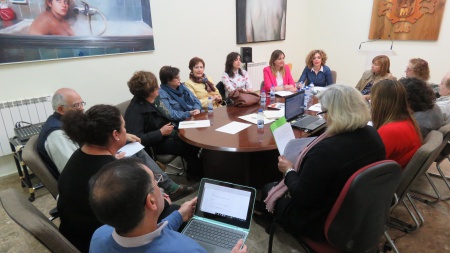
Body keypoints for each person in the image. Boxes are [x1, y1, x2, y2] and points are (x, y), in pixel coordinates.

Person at [254, 84, 386, 242]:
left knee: (269, 187)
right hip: (360, 210)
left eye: (323, 112)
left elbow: (303, 198)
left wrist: (289, 170)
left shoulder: (325, 152)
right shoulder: (373, 135)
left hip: (322, 220)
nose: (323, 117)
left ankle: (271, 218)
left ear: (335, 114)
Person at [57, 105, 181, 253]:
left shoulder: (78, 156)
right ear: (116, 134)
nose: (126, 132)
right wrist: (164, 202)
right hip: (103, 241)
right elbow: (141, 212)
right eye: (124, 127)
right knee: (174, 209)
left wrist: (113, 159)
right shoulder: (116, 176)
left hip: (75, 235)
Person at [36, 88, 191, 201]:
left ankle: (165, 188)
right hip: (91, 189)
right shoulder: (56, 135)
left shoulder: (67, 124)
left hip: (95, 172)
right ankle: (158, 194)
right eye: (76, 106)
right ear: (61, 109)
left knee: (134, 148)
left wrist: (120, 141)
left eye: (81, 103)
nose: (82, 108)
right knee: (134, 161)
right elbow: (73, 169)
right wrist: (111, 158)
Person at [89, 159, 247, 253]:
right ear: (151, 202)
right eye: (155, 182)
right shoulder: (186, 249)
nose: (159, 186)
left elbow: (148, 235)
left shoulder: (99, 235)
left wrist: (179, 215)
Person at [124, 70, 204, 181]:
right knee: (188, 147)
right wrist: (160, 132)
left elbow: (169, 114)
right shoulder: (135, 111)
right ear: (149, 91)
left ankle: (198, 171)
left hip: (167, 133)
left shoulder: (154, 100)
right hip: (155, 144)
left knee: (194, 138)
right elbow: (135, 140)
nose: (159, 88)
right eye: (156, 87)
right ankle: (196, 176)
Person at [371, 79, 422, 168]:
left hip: (384, 177)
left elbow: (369, 163)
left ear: (379, 103)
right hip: (394, 172)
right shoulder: (408, 121)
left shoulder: (389, 130)